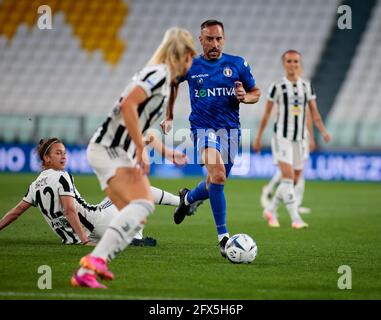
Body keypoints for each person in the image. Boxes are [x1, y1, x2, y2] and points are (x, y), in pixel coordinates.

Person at [70, 27, 197, 288]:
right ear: (184, 55)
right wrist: (140, 149)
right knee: (143, 204)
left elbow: (139, 122)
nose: (192, 63)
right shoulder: (159, 74)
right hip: (110, 151)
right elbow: (128, 105)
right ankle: (97, 260)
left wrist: (167, 152)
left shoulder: (160, 77)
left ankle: (88, 270)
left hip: (112, 153)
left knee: (137, 215)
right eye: (191, 57)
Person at [161, 20, 261, 257]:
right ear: (201, 40)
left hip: (230, 131)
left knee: (216, 181)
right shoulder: (191, 64)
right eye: (210, 39)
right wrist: (169, 115)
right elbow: (172, 84)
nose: (215, 44)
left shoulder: (237, 64)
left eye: (219, 39)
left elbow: (256, 93)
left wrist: (244, 97)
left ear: (223, 39)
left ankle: (188, 199)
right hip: (203, 128)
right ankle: (223, 238)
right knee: (217, 175)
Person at [0, 134, 192, 246]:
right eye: (58, 153)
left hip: (75, 237)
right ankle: (180, 202)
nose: (64, 157)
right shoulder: (62, 176)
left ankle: (134, 234)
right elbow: (69, 210)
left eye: (65, 153)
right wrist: (85, 241)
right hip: (95, 224)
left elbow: (16, 213)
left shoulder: (35, 185)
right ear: (46, 159)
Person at [253, 50, 331, 229]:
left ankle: (270, 210)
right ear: (284, 64)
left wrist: (322, 132)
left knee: (294, 179)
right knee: (287, 177)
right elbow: (266, 114)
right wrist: (258, 137)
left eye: (296, 61)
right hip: (282, 137)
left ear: (299, 64)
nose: (293, 64)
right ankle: (296, 219)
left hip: (300, 139)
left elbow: (314, 114)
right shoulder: (277, 86)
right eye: (289, 61)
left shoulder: (306, 86)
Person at [260, 112, 316, 214]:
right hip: (288, 135)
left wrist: (310, 137)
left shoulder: (301, 98)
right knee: (290, 170)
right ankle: (274, 195)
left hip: (300, 135)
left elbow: (308, 116)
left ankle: (271, 192)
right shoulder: (287, 99)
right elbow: (309, 116)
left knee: (295, 171)